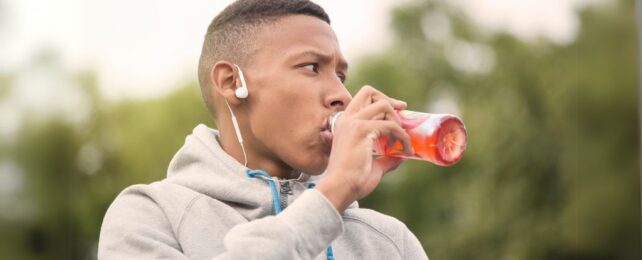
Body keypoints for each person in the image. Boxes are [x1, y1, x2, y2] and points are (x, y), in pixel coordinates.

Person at [98, 0, 429, 259]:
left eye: (340, 75)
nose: (342, 96)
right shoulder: (149, 215)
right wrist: (333, 193)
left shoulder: (388, 241)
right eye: (312, 67)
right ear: (232, 83)